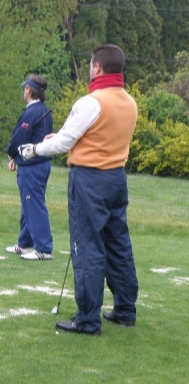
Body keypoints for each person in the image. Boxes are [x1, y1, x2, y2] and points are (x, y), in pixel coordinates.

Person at [18, 44, 138, 336]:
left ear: (97, 67)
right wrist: (57, 137)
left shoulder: (91, 102)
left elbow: (63, 144)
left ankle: (87, 319)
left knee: (87, 247)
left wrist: (33, 149)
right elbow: (87, 136)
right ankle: (125, 310)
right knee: (118, 244)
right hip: (116, 179)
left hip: (89, 181)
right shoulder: (130, 102)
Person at [5, 74, 54, 261]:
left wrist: (12, 154)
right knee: (29, 204)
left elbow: (19, 138)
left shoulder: (31, 113)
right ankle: (25, 243)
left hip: (32, 166)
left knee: (34, 204)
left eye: (24, 88)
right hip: (39, 164)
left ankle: (43, 248)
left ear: (28, 90)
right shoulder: (43, 110)